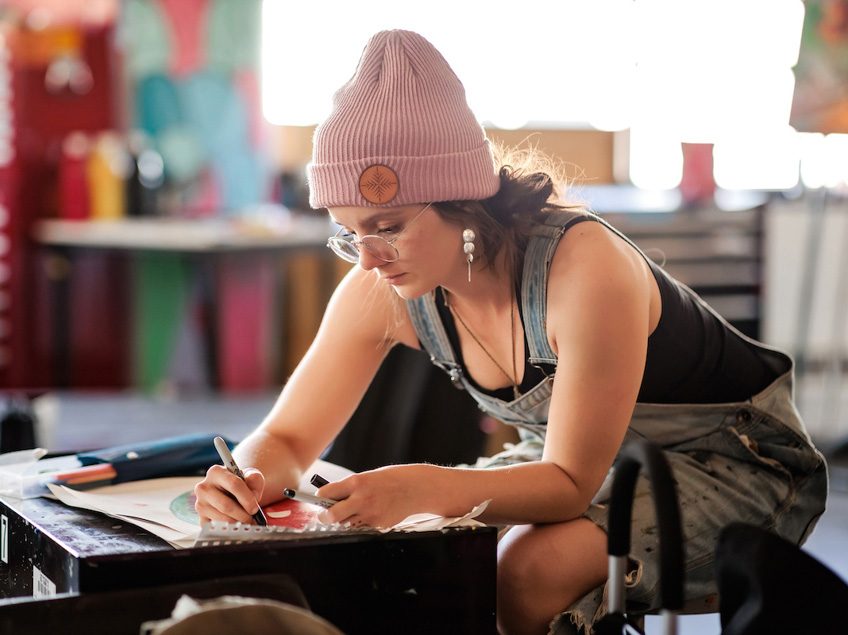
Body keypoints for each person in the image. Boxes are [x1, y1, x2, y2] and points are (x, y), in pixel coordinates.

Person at [194, 29, 828, 635]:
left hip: (730, 464)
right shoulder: (382, 287)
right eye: (348, 231)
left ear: (461, 202)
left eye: (386, 227)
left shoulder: (584, 269)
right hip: (579, 461)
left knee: (524, 572)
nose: (367, 257)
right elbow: (285, 435)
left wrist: (421, 485)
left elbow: (569, 483)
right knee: (420, 555)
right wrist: (244, 481)